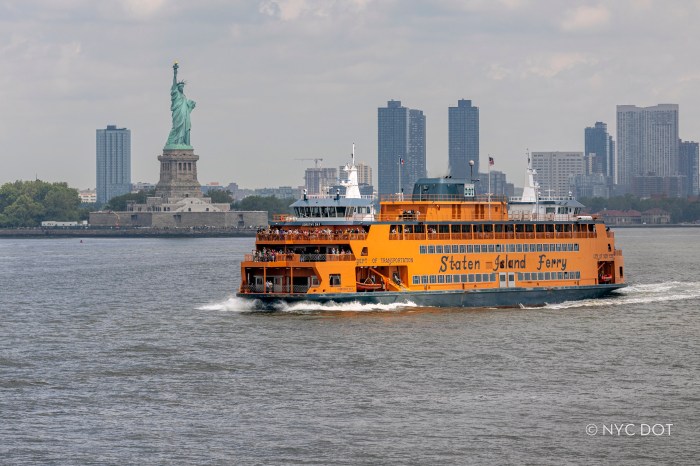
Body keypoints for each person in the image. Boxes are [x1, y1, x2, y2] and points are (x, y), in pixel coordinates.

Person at [166, 62, 196, 147]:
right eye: (180, 87)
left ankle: (182, 143)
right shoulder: (176, 94)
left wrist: (191, 107)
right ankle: (177, 142)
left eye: (183, 87)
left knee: (184, 128)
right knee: (177, 127)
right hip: (178, 114)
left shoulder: (184, 97)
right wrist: (175, 72)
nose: (182, 88)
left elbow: (187, 110)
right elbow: (174, 84)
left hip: (184, 116)